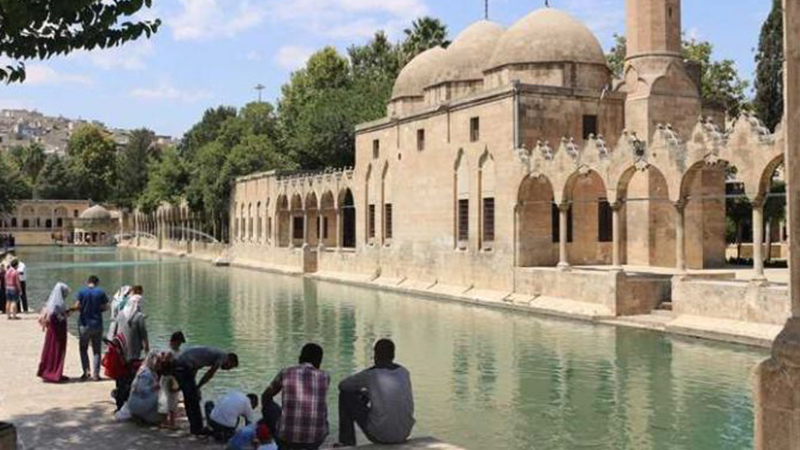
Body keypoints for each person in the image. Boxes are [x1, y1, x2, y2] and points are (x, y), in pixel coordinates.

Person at [336, 339, 415, 447]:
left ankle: (346, 442)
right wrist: (369, 393)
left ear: (375, 355)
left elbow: (342, 386)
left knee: (345, 396)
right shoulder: (404, 372)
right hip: (404, 433)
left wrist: (361, 392)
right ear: (393, 355)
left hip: (381, 435)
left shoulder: (371, 374)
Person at [261, 343, 330, 450]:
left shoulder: (286, 372)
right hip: (316, 439)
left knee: (269, 404)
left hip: (287, 438)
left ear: (300, 358)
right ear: (319, 362)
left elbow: (265, 396)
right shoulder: (325, 376)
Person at [173, 346, 239, 435]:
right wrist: (198, 387)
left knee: (190, 398)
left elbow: (195, 367)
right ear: (230, 360)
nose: (228, 370)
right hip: (184, 365)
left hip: (182, 364)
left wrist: (196, 386)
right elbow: (210, 373)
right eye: (230, 366)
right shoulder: (223, 356)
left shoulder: (212, 355)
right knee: (192, 399)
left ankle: (195, 428)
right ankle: (197, 429)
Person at [112, 285, 149, 409]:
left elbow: (114, 332)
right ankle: (128, 401)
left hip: (120, 352)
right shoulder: (139, 317)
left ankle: (119, 402)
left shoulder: (121, 314)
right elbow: (144, 337)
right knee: (130, 377)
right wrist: (148, 352)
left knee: (120, 377)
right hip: (133, 353)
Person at [72, 275, 109, 381]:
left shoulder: (81, 292)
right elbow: (106, 306)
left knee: (83, 349)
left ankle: (86, 371)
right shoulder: (101, 292)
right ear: (97, 283)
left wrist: (79, 310)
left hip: (84, 325)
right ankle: (96, 375)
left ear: (87, 282)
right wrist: (98, 310)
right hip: (97, 324)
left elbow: (77, 306)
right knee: (97, 350)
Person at [36, 282, 72, 383]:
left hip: (51, 333)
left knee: (49, 350)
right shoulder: (59, 304)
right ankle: (55, 373)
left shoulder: (51, 303)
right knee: (57, 351)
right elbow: (60, 318)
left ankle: (48, 371)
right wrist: (68, 313)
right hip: (58, 332)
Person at [125, 351, 170, 425]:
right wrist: (154, 387)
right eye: (158, 362)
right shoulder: (146, 374)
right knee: (163, 395)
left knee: (160, 394)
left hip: (138, 401)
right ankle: (146, 416)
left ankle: (144, 416)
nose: (160, 365)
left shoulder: (146, 369)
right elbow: (140, 389)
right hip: (139, 403)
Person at [159, 331, 185, 428]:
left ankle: (169, 421)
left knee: (172, 399)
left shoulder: (177, 352)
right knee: (167, 399)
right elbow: (165, 367)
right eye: (178, 342)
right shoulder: (169, 352)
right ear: (173, 341)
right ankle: (168, 422)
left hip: (174, 378)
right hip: (169, 378)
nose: (179, 344)